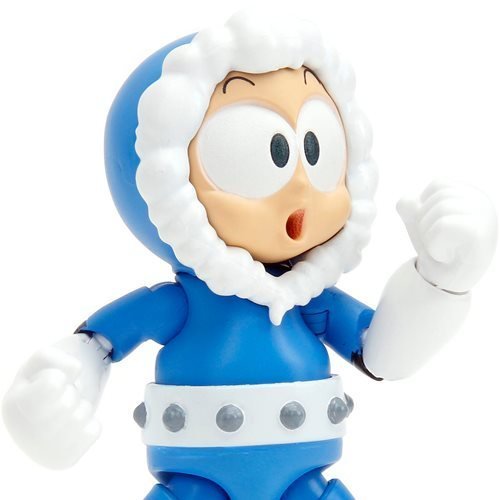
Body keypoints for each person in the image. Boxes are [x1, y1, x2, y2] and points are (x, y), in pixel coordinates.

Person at [3, 10, 497, 500]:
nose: (300, 187)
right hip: (193, 487)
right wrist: (52, 396)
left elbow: (383, 354)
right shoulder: (179, 305)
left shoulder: (309, 299)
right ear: (160, 176)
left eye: (316, 147)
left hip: (307, 485)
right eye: (266, 153)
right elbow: (95, 348)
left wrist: (441, 281)